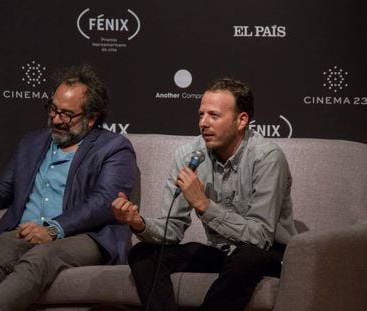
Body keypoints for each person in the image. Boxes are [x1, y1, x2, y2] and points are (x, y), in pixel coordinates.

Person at [0, 64, 137, 311]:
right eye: (53, 109)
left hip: (83, 236)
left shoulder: (113, 147)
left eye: (67, 114)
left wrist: (53, 229)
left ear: (91, 118)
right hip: (25, 233)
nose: (56, 119)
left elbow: (104, 201)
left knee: (39, 258)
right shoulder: (32, 142)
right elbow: (6, 187)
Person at [112, 77, 297, 311]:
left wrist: (203, 204)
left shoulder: (267, 158)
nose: (203, 123)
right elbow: (173, 229)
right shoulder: (189, 155)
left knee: (248, 256)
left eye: (214, 116)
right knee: (143, 254)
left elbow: (260, 237)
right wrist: (139, 224)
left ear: (241, 120)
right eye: (201, 114)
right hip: (220, 252)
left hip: (268, 253)